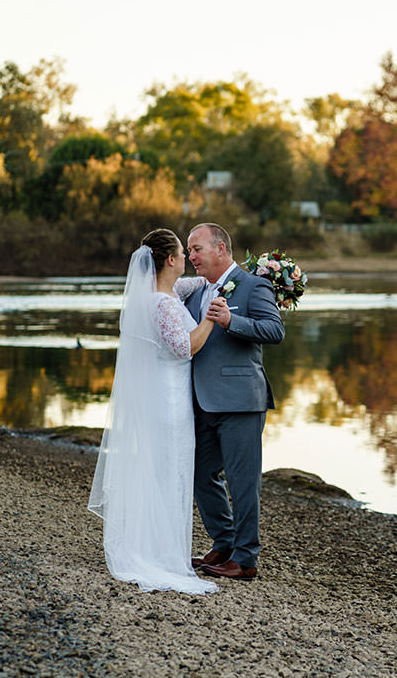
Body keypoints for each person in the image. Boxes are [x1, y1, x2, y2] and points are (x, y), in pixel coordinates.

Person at [87, 228, 229, 594]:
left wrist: (225, 275)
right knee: (170, 473)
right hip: (169, 404)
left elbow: (189, 285)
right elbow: (185, 348)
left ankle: (156, 547)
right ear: (169, 259)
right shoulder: (162, 305)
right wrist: (211, 318)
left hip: (162, 399)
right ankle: (162, 556)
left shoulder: (159, 294)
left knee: (162, 472)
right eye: (184, 252)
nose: (188, 257)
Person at [185, 223, 285, 580]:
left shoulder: (255, 285)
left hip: (242, 401)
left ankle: (245, 559)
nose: (191, 256)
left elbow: (274, 331)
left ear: (221, 248)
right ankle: (224, 542)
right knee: (198, 471)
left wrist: (231, 320)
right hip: (202, 401)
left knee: (243, 483)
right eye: (188, 250)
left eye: (197, 249)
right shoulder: (195, 292)